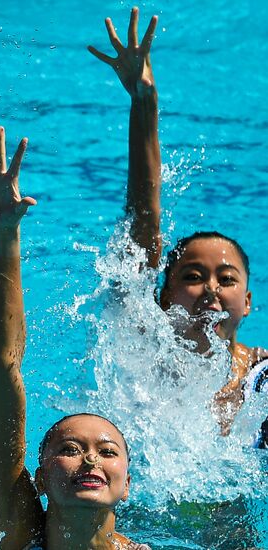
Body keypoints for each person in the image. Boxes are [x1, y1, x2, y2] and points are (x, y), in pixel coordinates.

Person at [0, 127, 150, 549]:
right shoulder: (16, 532)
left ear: (127, 483)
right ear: (39, 478)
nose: (91, 459)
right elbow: (1, 370)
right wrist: (5, 233)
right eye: (71, 449)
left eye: (108, 451)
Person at [88, 7, 268, 438]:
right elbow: (143, 225)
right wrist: (144, 101)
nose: (210, 288)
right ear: (165, 295)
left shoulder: (263, 376)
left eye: (226, 278)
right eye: (192, 275)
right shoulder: (144, 349)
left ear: (246, 301)